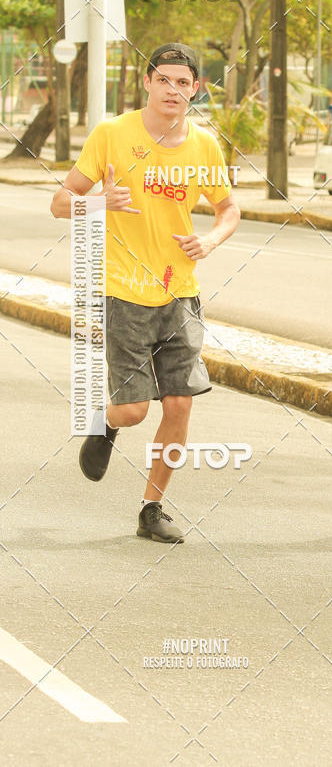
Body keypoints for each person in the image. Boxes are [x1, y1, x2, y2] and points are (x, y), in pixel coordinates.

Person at [50, 42, 240, 543]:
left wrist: (211, 240)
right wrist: (98, 202)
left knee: (178, 406)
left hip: (179, 293)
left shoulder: (204, 146)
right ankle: (103, 422)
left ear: (195, 88)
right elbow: (58, 202)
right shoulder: (113, 134)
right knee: (134, 411)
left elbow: (228, 210)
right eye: (165, 80)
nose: (174, 90)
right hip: (122, 291)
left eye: (184, 82)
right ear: (149, 82)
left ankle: (152, 509)